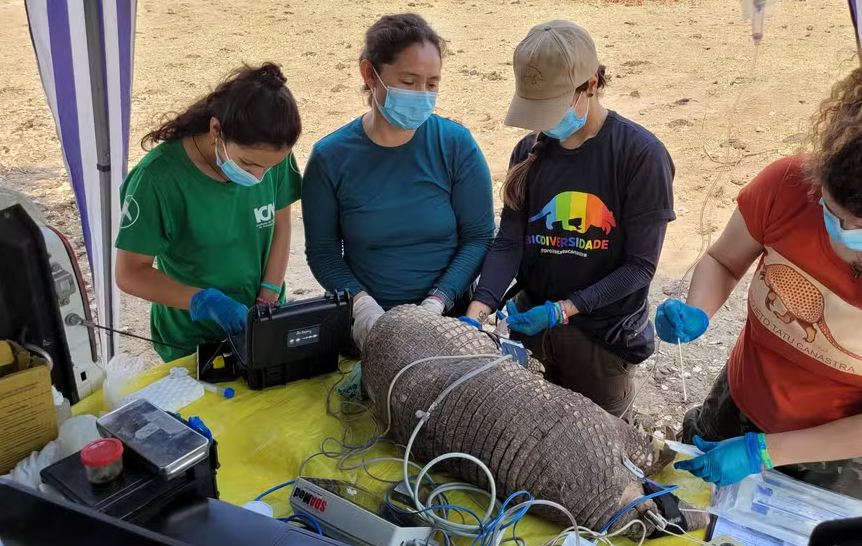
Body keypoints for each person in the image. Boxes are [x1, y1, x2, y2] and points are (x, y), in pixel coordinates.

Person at [656, 38, 862, 512]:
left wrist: (770, 451)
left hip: (854, 456)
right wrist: (698, 309)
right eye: (833, 211)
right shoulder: (786, 185)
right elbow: (724, 261)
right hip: (743, 405)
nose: (844, 234)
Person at [464, 21, 676, 418]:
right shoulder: (529, 151)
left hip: (602, 342)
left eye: (553, 107)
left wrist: (565, 309)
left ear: (591, 84)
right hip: (531, 326)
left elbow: (640, 267)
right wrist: (478, 313)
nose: (544, 123)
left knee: (594, 448)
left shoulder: (640, 156)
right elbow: (509, 242)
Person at [302, 14, 495, 351]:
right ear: (369, 74)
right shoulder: (330, 157)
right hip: (368, 327)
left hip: (447, 322)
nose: (422, 94)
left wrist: (438, 302)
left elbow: (478, 237)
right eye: (408, 81)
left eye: (432, 84)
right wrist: (362, 308)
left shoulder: (455, 145)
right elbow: (324, 253)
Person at [115, 63, 302, 363]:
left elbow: (282, 224)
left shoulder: (271, 155)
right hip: (192, 338)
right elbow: (129, 273)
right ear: (216, 130)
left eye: (269, 168)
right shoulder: (157, 179)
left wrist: (269, 291)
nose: (259, 177)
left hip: (262, 320)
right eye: (248, 164)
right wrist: (202, 300)